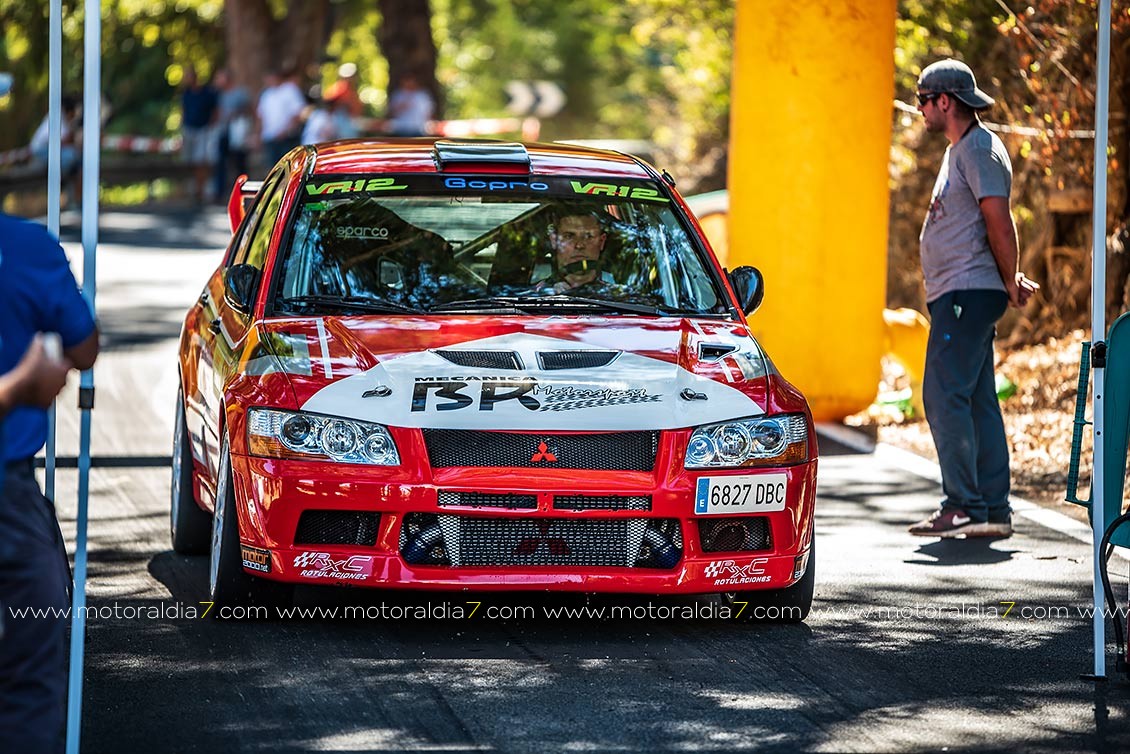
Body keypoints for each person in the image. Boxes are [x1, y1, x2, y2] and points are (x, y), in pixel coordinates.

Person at [907, 59, 1039, 539]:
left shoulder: (980, 148)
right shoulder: (961, 150)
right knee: (978, 399)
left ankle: (964, 505)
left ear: (945, 101)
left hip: (968, 291)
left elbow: (998, 220)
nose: (920, 109)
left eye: (924, 100)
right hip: (961, 292)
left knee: (943, 395)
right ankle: (991, 510)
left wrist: (1010, 278)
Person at [0, 209, 99, 753]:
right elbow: (84, 348)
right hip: (8, 497)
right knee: (31, 677)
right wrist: (21, 384)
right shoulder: (26, 245)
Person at [538, 209, 616, 294]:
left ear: (601, 242)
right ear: (554, 241)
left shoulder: (618, 293)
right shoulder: (537, 295)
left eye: (588, 236)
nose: (579, 245)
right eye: (569, 236)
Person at [179, 65, 218, 204]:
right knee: (190, 160)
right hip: (189, 129)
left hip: (203, 129)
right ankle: (194, 187)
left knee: (201, 160)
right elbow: (183, 110)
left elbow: (215, 111)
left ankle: (201, 189)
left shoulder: (207, 93)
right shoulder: (186, 94)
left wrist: (211, 126)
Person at [212, 67, 252, 203]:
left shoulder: (240, 93)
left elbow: (249, 109)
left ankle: (244, 191)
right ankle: (220, 193)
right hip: (223, 132)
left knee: (240, 163)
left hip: (237, 132)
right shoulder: (219, 95)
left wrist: (236, 113)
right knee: (221, 163)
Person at [257, 66, 307, 167]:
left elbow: (297, 113)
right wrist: (259, 135)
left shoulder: (290, 90)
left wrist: (286, 131)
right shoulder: (266, 95)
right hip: (270, 137)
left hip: (287, 138)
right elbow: (261, 116)